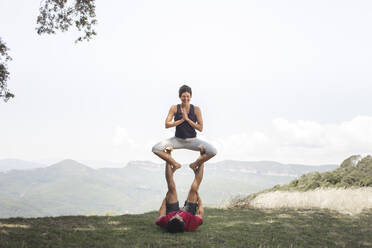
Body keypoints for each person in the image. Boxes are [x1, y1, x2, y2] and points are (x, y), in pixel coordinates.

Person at [152, 85, 217, 170]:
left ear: (191, 97)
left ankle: (194, 164)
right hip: (177, 140)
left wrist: (188, 119)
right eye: (183, 96)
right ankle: (175, 164)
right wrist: (182, 120)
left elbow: (200, 128)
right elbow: (167, 125)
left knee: (213, 151)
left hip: (193, 141)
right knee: (156, 149)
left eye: (188, 96)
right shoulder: (174, 108)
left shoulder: (196, 109)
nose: (186, 98)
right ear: (180, 96)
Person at [156, 150, 205, 233]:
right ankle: (202, 156)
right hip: (189, 213)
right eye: (178, 217)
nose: (177, 215)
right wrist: (199, 201)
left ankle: (168, 154)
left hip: (172, 211)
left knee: (171, 189)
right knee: (194, 190)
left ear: (169, 221)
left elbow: (161, 212)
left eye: (173, 217)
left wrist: (166, 198)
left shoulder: (165, 222)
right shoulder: (192, 224)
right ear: (183, 221)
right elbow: (200, 213)